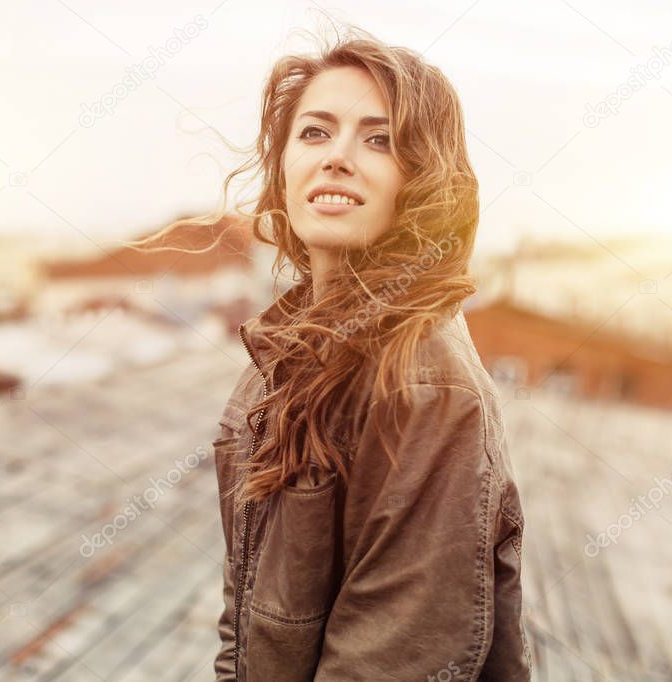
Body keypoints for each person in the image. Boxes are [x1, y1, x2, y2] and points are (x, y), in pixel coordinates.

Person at [140, 24, 531, 681]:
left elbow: (390, 662)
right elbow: (244, 628)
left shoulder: (426, 383)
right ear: (283, 166)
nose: (337, 157)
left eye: (379, 140)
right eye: (314, 132)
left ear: (422, 181)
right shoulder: (280, 359)